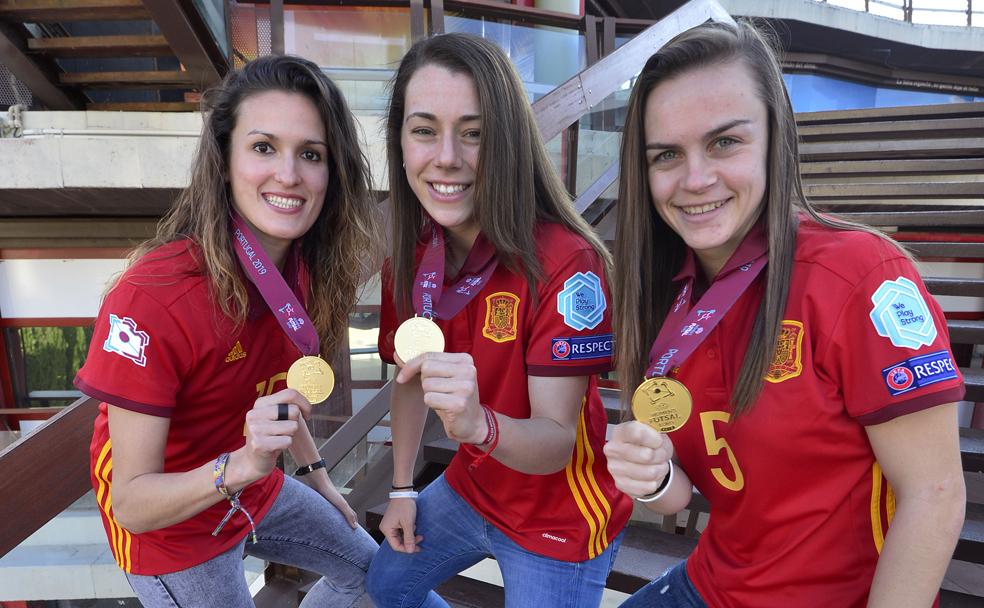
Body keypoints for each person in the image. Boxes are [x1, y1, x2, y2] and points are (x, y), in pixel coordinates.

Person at [603, 20, 967, 608]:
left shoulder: (862, 277)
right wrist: (656, 473)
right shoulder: (664, 292)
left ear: (776, 138)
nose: (695, 179)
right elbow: (682, 495)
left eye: (725, 142)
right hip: (712, 585)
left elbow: (936, 492)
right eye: (667, 154)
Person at [74, 55, 380, 607]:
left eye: (311, 154)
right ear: (224, 160)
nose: (289, 174)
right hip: (170, 532)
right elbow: (133, 505)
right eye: (264, 147)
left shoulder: (307, 269)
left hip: (253, 484)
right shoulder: (153, 296)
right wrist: (244, 465)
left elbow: (280, 390)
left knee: (376, 574)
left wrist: (317, 476)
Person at [365, 33, 632, 608]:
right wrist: (403, 487)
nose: (447, 158)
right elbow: (407, 384)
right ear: (400, 142)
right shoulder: (410, 258)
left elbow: (557, 444)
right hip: (472, 488)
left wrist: (476, 425)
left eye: (474, 132)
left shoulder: (567, 263)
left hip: (558, 513)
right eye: (424, 130)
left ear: (507, 141)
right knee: (386, 585)